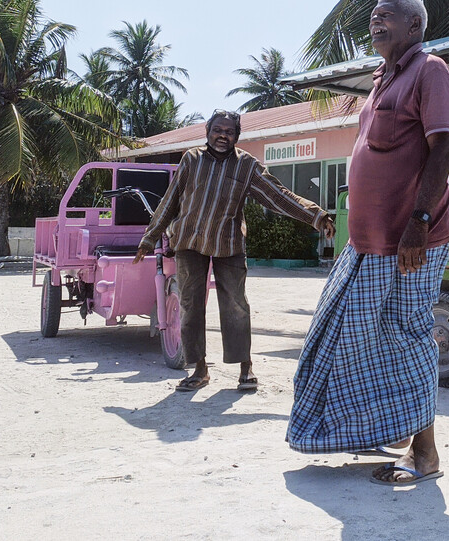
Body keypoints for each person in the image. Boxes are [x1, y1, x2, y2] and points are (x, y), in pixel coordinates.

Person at [286, 0, 449, 486]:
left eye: (389, 13)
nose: (375, 19)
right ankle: (389, 432)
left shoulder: (431, 70)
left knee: (406, 337)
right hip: (367, 243)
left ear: (415, 26)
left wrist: (418, 224)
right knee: (354, 337)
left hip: (408, 242)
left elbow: (443, 145)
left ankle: (425, 454)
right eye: (373, 13)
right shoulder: (382, 78)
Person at [133, 110, 336, 392]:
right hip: (189, 242)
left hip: (228, 244)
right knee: (191, 305)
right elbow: (171, 201)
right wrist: (149, 238)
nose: (223, 136)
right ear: (208, 131)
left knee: (236, 306)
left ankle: (245, 367)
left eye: (229, 132)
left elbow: (277, 196)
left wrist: (317, 216)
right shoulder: (191, 159)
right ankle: (200, 369)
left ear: (237, 137)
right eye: (218, 129)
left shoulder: (247, 166)